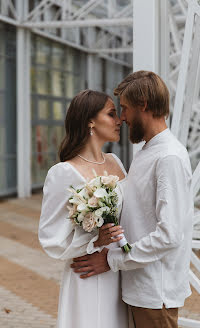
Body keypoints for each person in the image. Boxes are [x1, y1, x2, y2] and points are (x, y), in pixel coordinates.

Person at [71, 71, 194, 328]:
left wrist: (110, 260)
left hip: (155, 293)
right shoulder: (147, 152)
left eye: (125, 109)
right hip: (139, 288)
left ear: (144, 105)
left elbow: (170, 235)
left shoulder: (168, 157)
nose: (123, 118)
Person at [38, 90, 130, 328]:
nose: (119, 120)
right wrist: (94, 241)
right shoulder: (62, 173)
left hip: (121, 267)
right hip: (89, 273)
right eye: (111, 114)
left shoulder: (115, 162)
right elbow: (50, 238)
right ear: (90, 120)